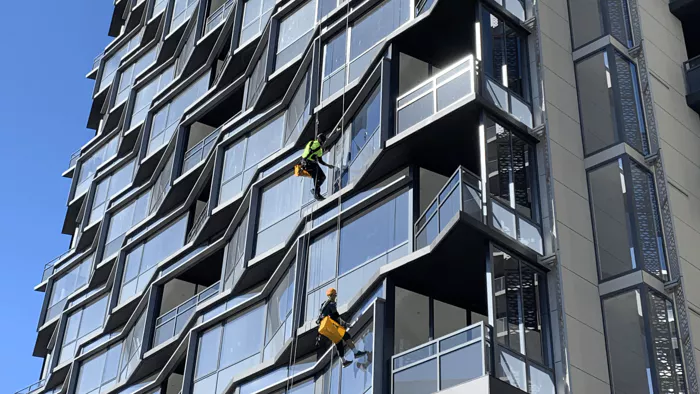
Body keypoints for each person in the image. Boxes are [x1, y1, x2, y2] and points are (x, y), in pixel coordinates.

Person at [316, 288, 367, 367]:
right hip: (330, 324)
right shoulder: (331, 304)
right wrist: (346, 324)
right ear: (332, 295)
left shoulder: (323, 305)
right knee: (346, 335)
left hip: (324, 328)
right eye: (334, 295)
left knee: (338, 342)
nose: (335, 296)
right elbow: (336, 316)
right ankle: (356, 352)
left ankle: (343, 361)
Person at [301, 134, 333, 200]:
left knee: (316, 176)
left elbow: (307, 152)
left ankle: (315, 191)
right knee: (321, 177)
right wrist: (328, 165)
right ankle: (316, 193)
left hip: (304, 164)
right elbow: (320, 161)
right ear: (323, 142)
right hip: (310, 163)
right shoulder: (319, 149)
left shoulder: (311, 142)